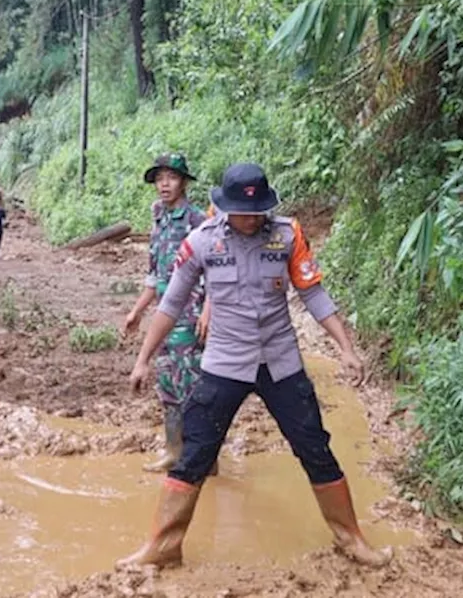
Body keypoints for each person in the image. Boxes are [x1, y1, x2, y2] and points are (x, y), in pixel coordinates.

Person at [119, 163, 390, 570]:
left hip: (280, 362)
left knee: (315, 448)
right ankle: (163, 547)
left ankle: (350, 539)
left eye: (257, 210)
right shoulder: (201, 242)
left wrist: (346, 348)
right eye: (242, 211)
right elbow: (171, 303)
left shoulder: (287, 235)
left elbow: (313, 293)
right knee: (193, 454)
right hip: (224, 362)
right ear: (224, 207)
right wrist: (143, 360)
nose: (250, 219)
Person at [121, 153, 208, 473]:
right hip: (165, 316)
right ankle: (174, 451)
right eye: (159, 179)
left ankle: (203, 457)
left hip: (192, 313)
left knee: (194, 386)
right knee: (169, 383)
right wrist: (136, 312)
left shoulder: (198, 221)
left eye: (170, 178)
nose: (164, 185)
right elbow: (154, 273)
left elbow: (216, 269)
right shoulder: (158, 217)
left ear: (183, 182)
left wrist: (208, 311)